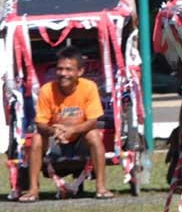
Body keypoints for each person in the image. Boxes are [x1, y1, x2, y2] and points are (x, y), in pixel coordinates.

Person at [18, 46, 112, 202]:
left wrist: (72, 130)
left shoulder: (89, 87)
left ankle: (101, 187)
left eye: (69, 69)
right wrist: (54, 131)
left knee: (94, 135)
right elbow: (40, 123)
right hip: (55, 139)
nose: (63, 74)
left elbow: (92, 121)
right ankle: (33, 190)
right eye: (60, 69)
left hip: (80, 138)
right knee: (36, 138)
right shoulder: (46, 90)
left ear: (79, 72)